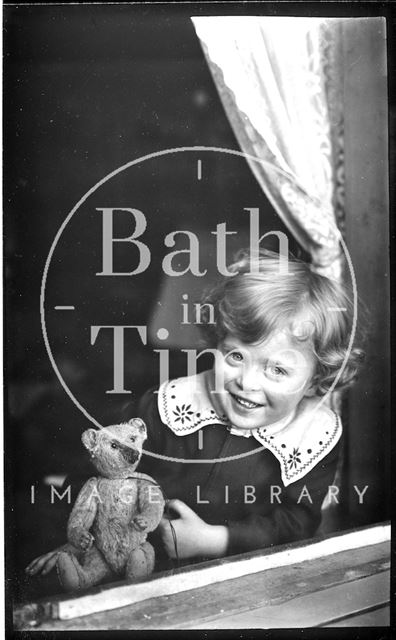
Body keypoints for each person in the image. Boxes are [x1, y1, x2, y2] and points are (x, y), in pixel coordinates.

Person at [26, 249, 364, 578]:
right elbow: (100, 465)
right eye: (235, 357)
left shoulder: (312, 434)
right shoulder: (171, 403)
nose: (247, 382)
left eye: (277, 370)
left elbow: (296, 522)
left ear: (314, 381)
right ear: (217, 342)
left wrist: (213, 540)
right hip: (132, 561)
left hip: (239, 578)